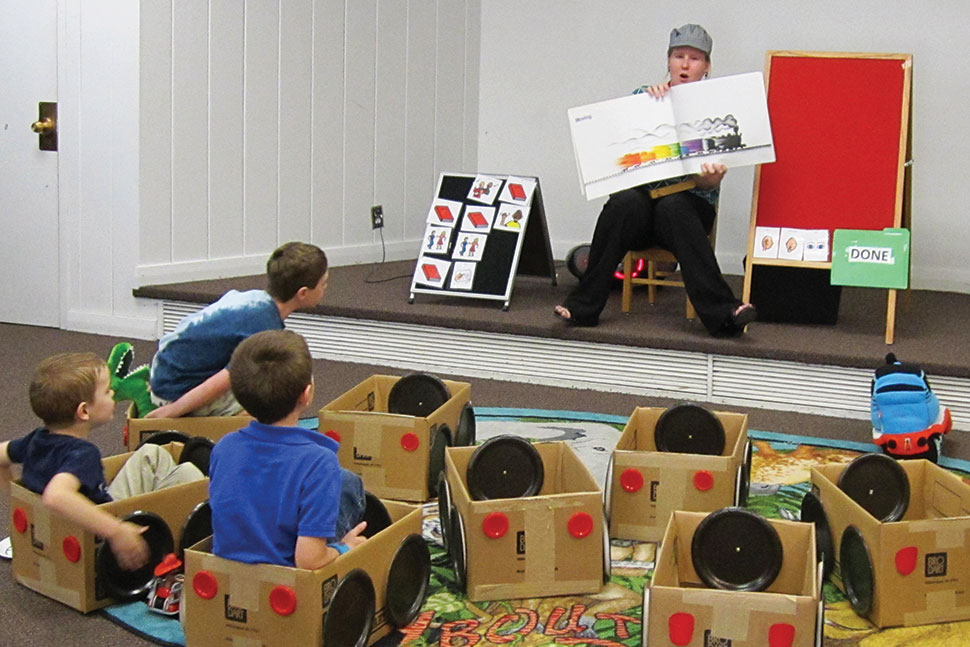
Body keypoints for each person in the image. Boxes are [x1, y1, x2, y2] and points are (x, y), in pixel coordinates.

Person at [555, 24, 757, 336]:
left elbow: (708, 186)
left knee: (674, 206)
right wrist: (647, 106)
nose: (686, 64)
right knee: (623, 203)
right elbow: (618, 156)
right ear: (668, 61)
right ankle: (583, 307)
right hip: (641, 212)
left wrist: (710, 179)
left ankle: (724, 313)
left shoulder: (718, 105)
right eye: (679, 56)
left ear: (707, 66)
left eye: (695, 58)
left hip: (685, 211)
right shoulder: (642, 97)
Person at [0, 353, 205, 571]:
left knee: (152, 452)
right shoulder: (83, 454)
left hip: (81, 517)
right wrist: (117, 531)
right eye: (107, 391)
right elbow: (56, 496)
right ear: (84, 411)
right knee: (190, 475)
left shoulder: (36, 439)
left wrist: (19, 498)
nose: (113, 393)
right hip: (102, 527)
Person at [208, 330, 367, 569]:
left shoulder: (224, 447)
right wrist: (345, 548)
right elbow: (309, 561)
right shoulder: (319, 462)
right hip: (288, 585)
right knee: (349, 485)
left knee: (346, 480)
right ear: (307, 394)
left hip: (230, 576)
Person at [146, 241, 329, 418]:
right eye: (323, 283)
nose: (325, 288)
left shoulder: (253, 299)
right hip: (171, 393)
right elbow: (226, 378)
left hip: (164, 374)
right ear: (303, 293)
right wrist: (174, 410)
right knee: (291, 389)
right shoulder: (264, 326)